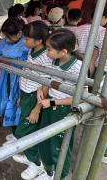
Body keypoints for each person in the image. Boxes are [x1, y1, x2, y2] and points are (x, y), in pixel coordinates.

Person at [36, 29, 82, 180]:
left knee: (60, 145)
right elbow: (46, 79)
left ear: (63, 51)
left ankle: (60, 175)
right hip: (50, 105)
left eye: (49, 49)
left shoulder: (78, 68)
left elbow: (80, 98)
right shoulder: (53, 61)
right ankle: (48, 171)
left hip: (64, 110)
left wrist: (53, 101)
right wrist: (40, 90)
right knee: (45, 139)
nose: (46, 51)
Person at [12, 21, 51, 179]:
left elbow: (45, 86)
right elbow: (27, 73)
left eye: (27, 39)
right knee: (24, 127)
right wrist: (21, 95)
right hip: (26, 94)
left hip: (35, 100)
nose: (24, 41)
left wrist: (37, 108)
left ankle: (37, 164)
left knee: (24, 131)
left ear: (39, 41)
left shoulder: (45, 58)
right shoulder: (32, 51)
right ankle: (30, 156)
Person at [0, 17, 29, 142]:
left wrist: (4, 50)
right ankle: (15, 133)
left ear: (19, 33)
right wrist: (5, 46)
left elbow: (11, 53)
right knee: (10, 101)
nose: (6, 39)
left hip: (22, 80)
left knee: (18, 104)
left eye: (9, 37)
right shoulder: (10, 40)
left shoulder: (24, 41)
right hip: (10, 76)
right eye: (5, 37)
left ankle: (18, 135)